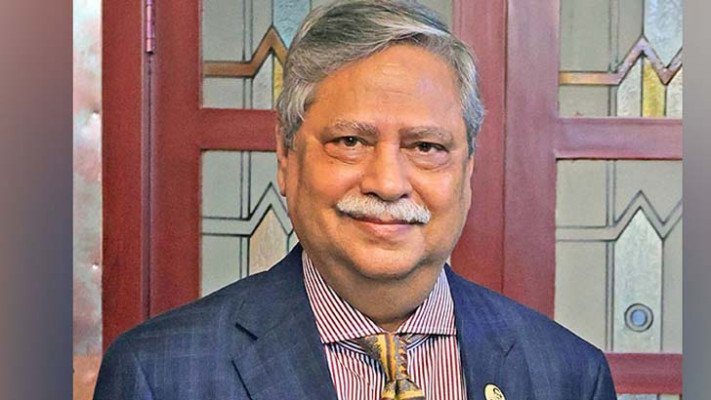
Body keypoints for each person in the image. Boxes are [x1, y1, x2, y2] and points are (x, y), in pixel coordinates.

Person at [94, 1, 616, 399]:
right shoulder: (160, 374)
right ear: (287, 158)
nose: (387, 183)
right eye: (350, 142)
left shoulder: (568, 375)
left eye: (426, 147)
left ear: (467, 170)